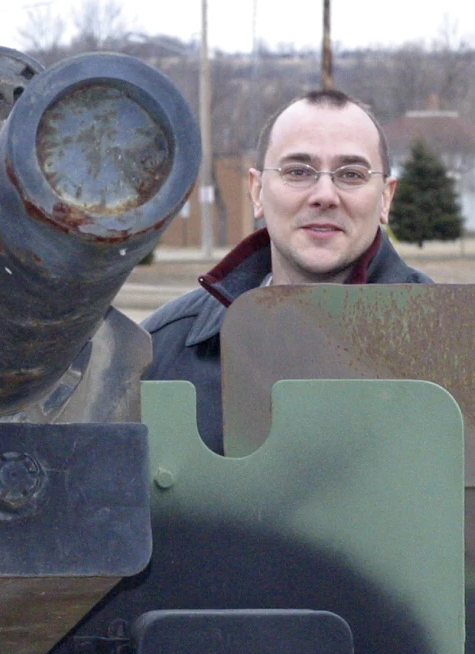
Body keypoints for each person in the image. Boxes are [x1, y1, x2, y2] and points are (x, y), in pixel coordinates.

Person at [144, 88, 432, 451]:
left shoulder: (453, 345)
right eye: (298, 171)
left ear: (386, 197)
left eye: (352, 174)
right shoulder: (160, 351)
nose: (324, 194)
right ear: (257, 191)